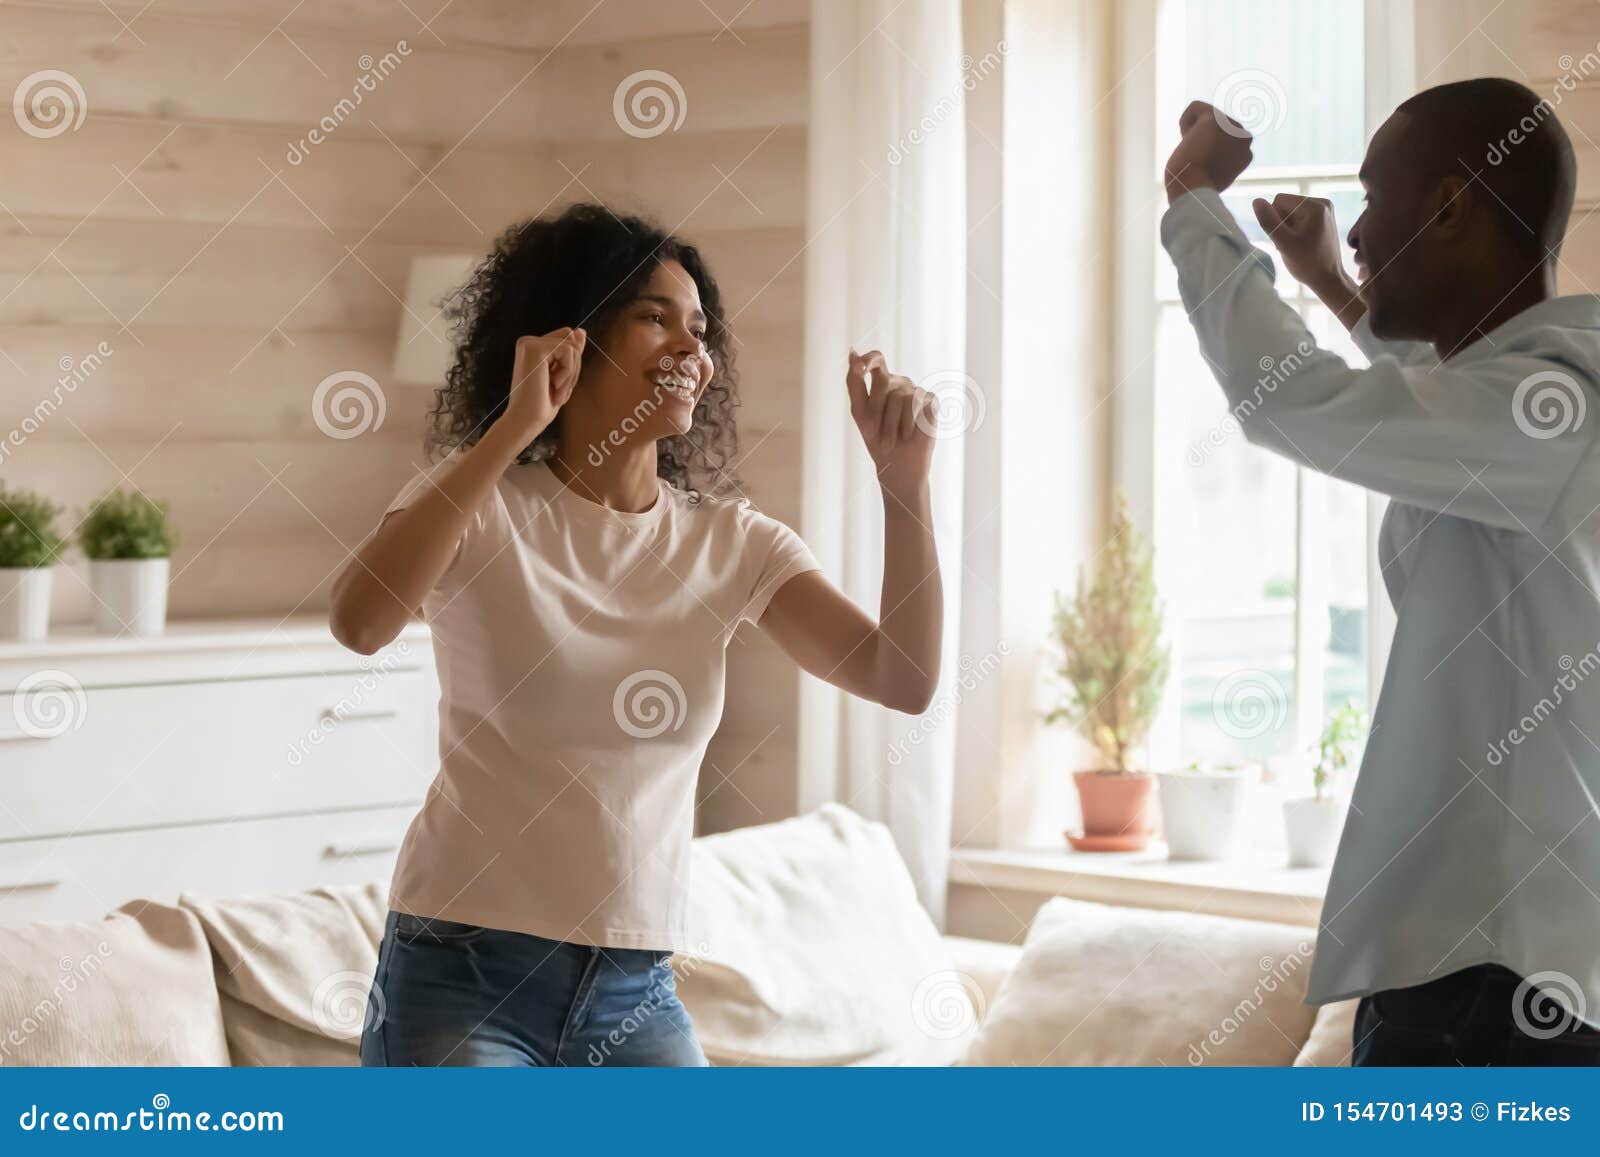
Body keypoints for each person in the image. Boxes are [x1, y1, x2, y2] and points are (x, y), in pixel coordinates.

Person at [329, 203, 942, 1066]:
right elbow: (360, 622)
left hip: (634, 990)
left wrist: (903, 489)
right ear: (569, 337)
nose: (691, 348)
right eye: (655, 317)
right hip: (462, 975)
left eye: (700, 327)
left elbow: (902, 676)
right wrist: (512, 429)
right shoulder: (482, 504)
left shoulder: (732, 543)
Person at [1161, 77, 1600, 1065]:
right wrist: (1328, 285)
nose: (1356, 230)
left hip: (1498, 988)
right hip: (1487, 971)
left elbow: (1296, 403)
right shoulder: (1542, 402)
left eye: (1374, 197)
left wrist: (1194, 201)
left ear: (1449, 206)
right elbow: (1444, 409)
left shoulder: (1551, 411)